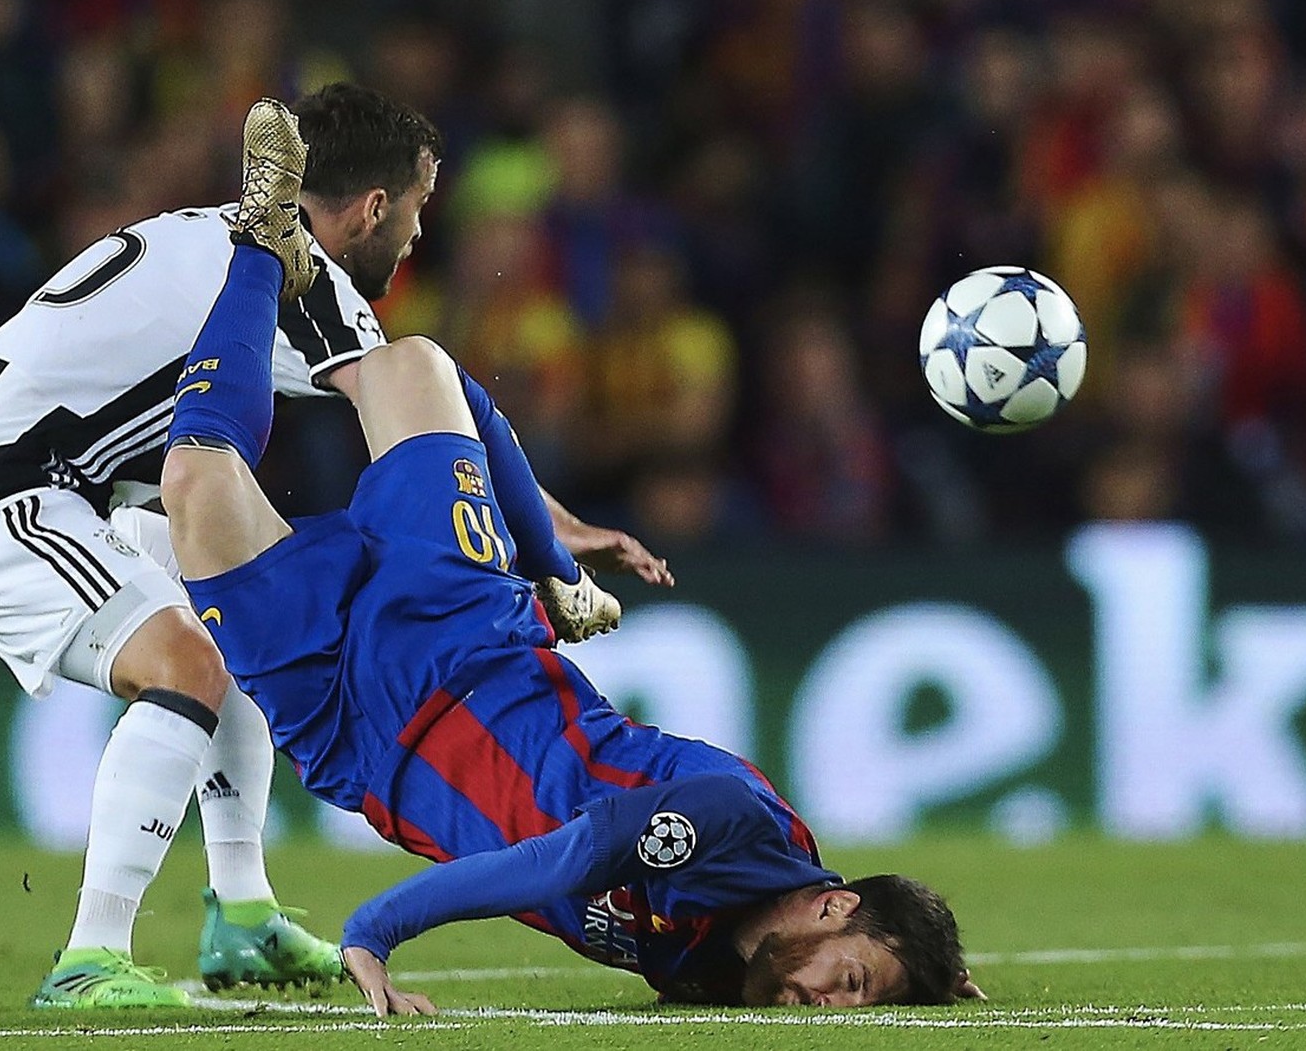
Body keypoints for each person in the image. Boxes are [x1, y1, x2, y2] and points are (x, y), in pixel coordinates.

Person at [158, 99, 983, 1014]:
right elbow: (572, 856)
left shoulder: (720, 973)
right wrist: (374, 927)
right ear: (834, 903)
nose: (838, 1006)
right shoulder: (729, 825)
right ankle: (270, 231)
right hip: (461, 646)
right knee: (414, 368)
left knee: (194, 482)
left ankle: (260, 245)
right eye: (853, 979)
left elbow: (861, 962)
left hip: (352, 742)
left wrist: (937, 981)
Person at [0, 84, 668, 1009]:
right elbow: (437, 405)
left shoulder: (209, 232)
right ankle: (89, 958)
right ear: (376, 206)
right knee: (185, 661)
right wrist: (558, 545)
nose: (418, 237)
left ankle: (245, 915)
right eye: (417, 210)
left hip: (38, 503)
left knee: (244, 607)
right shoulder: (304, 282)